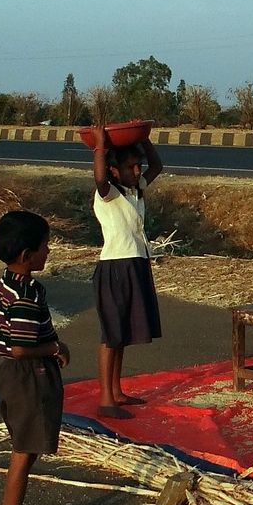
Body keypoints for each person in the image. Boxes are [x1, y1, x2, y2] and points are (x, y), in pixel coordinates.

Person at [0, 209, 70, 505]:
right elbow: (21, 347)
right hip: (28, 377)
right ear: (27, 256)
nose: (48, 251)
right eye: (44, 246)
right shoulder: (26, 296)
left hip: (11, 375)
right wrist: (54, 347)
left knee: (25, 448)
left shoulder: (6, 283)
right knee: (24, 453)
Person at [91, 132, 163, 419]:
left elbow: (157, 167)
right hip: (115, 267)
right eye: (131, 166)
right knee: (111, 333)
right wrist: (99, 146)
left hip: (136, 262)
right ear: (113, 170)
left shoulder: (136, 189)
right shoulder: (108, 193)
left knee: (122, 333)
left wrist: (145, 141)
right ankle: (106, 398)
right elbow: (98, 177)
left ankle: (117, 391)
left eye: (138, 165)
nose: (138, 171)